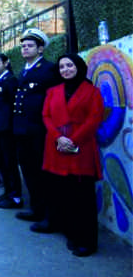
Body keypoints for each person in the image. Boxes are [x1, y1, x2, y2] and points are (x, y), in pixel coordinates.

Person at [42, 54, 104, 257]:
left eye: (69, 65)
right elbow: (46, 116)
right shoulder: (53, 91)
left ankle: (87, 241)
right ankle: (71, 232)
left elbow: (94, 118)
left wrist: (73, 140)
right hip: (57, 147)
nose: (65, 70)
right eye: (62, 67)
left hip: (81, 148)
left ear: (78, 67)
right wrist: (59, 138)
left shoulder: (92, 91)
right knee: (63, 192)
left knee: (83, 196)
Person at [12, 28, 59, 231]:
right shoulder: (24, 69)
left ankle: (50, 217)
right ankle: (36, 209)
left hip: (39, 130)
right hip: (23, 129)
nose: (25, 48)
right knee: (28, 171)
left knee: (43, 174)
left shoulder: (48, 69)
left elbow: (55, 100)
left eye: (29, 46)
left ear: (40, 49)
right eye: (23, 46)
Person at [0, 54, 21, 209]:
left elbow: (12, 105)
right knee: (1, 160)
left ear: (6, 63)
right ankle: (8, 191)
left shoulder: (10, 80)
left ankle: (15, 195)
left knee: (10, 161)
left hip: (7, 127)